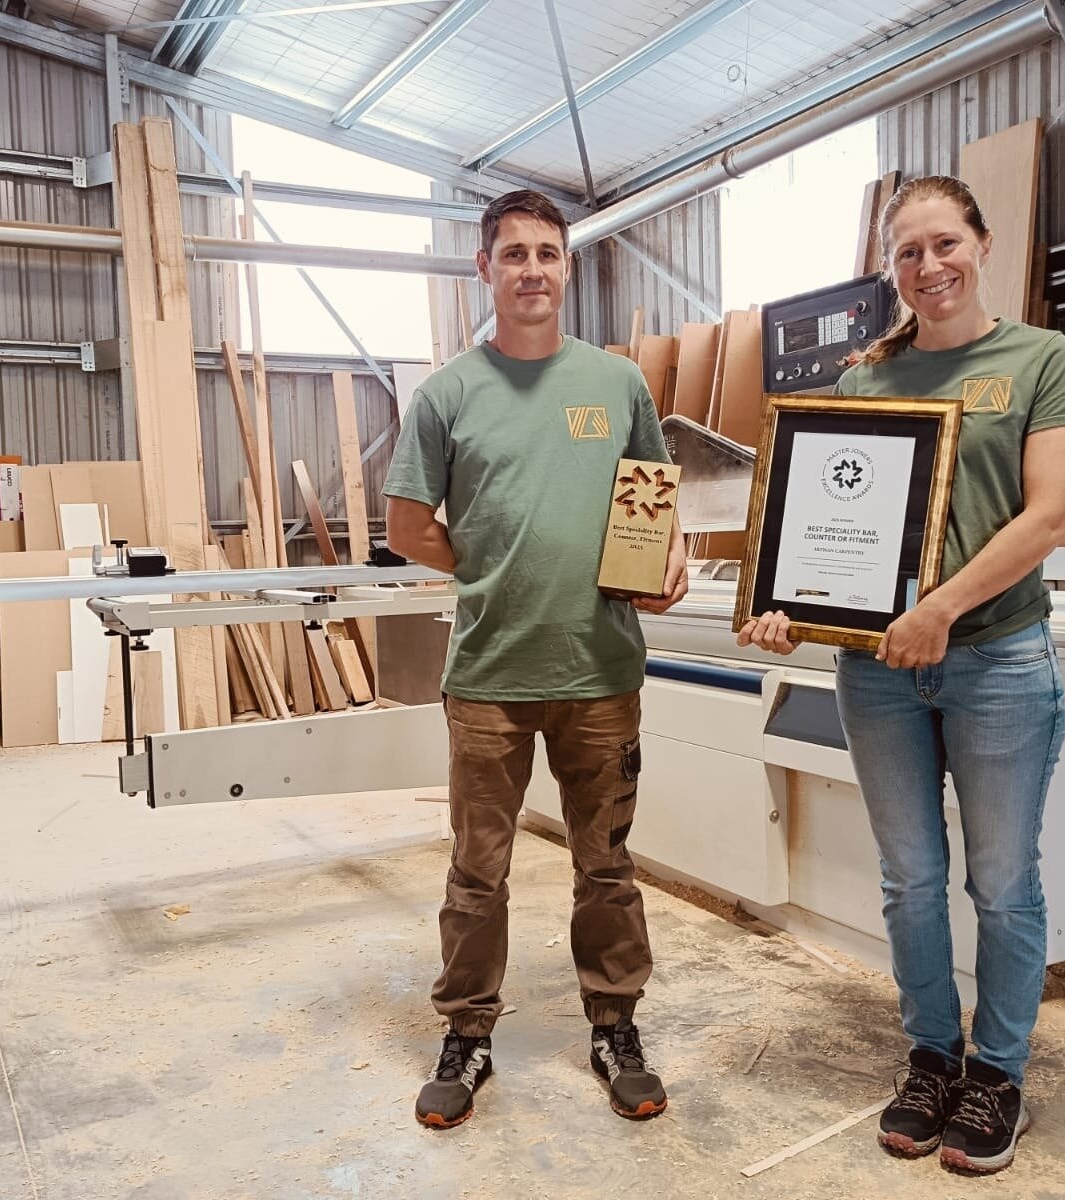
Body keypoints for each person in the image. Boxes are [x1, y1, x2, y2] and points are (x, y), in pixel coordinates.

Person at [739, 175, 1065, 1175]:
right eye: (907, 254)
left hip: (995, 658)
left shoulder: (1042, 360)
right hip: (880, 673)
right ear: (889, 269)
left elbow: (1048, 516)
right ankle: (932, 1056)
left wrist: (940, 608)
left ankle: (998, 1072)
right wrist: (789, 608)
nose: (929, 267)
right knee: (909, 882)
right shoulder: (864, 380)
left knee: (1003, 883)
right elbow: (828, 525)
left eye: (944, 244)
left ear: (980, 243)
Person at [383, 189, 688, 1130]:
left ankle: (614, 1023)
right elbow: (406, 528)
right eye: (512, 254)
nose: (531, 271)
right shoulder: (446, 394)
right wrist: (498, 569)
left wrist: (667, 558)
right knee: (478, 872)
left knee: (608, 867)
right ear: (486, 269)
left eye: (547, 254)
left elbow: (652, 498)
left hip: (601, 669)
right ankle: (467, 1034)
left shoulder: (616, 383)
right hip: (489, 676)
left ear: (567, 267)